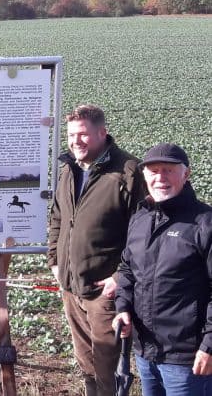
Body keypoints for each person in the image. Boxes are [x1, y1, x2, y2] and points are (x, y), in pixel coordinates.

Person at [47, 104, 145, 395]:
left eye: (83, 134)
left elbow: (142, 234)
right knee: (85, 361)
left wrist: (119, 276)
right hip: (70, 285)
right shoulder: (70, 168)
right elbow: (58, 216)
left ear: (102, 133)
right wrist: (54, 259)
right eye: (71, 135)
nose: (76, 141)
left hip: (105, 291)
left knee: (108, 366)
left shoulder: (127, 172)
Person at [113, 143, 212, 395]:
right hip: (146, 351)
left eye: (168, 170)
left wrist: (209, 346)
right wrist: (122, 307)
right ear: (145, 176)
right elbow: (127, 268)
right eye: (153, 171)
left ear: (186, 174)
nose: (160, 178)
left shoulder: (204, 223)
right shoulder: (141, 217)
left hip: (187, 358)